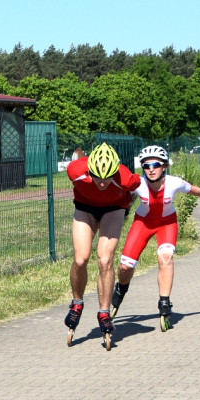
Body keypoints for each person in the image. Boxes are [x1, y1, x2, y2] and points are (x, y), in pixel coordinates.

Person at [111, 145, 200, 331]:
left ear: (165, 166)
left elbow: (192, 189)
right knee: (125, 266)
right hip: (143, 223)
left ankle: (164, 302)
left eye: (156, 164)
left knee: (166, 258)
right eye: (146, 165)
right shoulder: (138, 183)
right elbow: (118, 188)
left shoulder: (173, 182)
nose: (151, 169)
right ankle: (120, 289)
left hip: (167, 223)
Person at [63, 143, 140, 342]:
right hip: (84, 208)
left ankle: (104, 312)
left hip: (113, 209)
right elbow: (77, 157)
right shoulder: (75, 171)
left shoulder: (126, 178)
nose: (103, 183)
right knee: (81, 259)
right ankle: (77, 303)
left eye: (108, 178)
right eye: (97, 178)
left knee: (105, 260)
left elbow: (143, 185)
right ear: (89, 171)